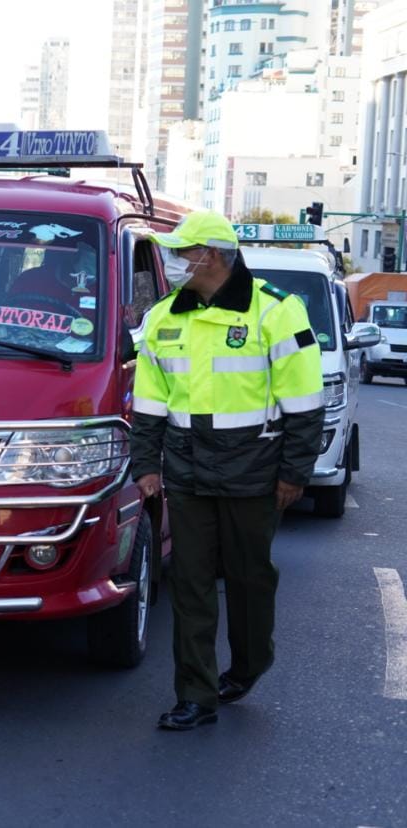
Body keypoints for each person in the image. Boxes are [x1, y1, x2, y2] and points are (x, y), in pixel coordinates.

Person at [132, 210, 323, 731]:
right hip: (187, 471)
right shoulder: (164, 317)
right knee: (190, 583)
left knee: (248, 578)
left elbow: (305, 403)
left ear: (211, 255)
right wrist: (146, 465)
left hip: (254, 471)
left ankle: (248, 664)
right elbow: (148, 404)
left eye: (181, 252)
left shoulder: (275, 311)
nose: (173, 262)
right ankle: (195, 696)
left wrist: (294, 473)